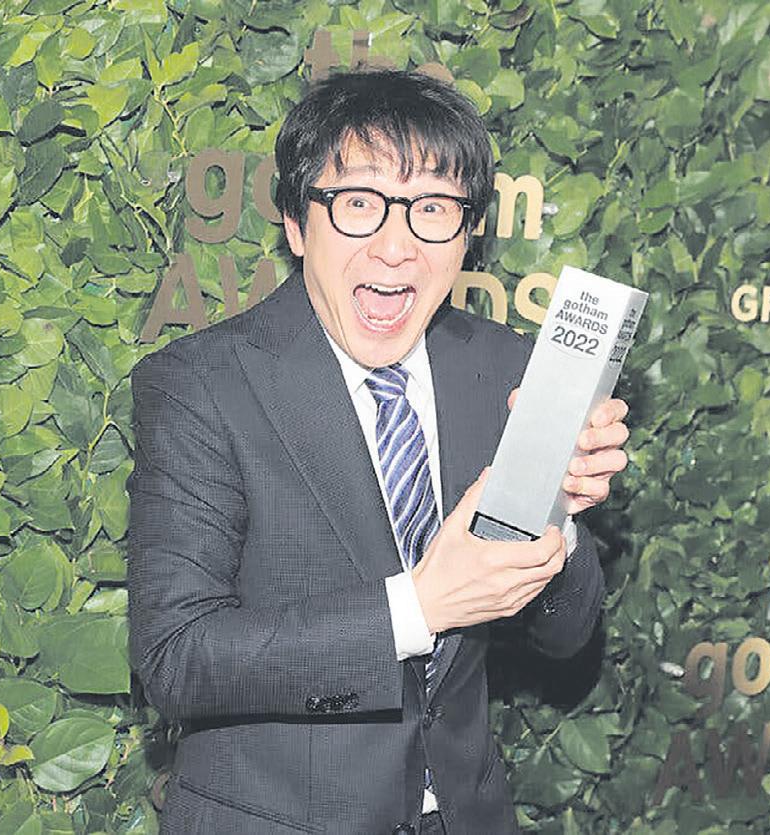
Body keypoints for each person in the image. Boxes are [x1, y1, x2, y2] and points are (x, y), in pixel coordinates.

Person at [128, 69, 630, 834]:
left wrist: (556, 515)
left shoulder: (505, 368)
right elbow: (177, 659)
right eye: (359, 204)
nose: (396, 248)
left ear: (468, 234)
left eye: (433, 209)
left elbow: (567, 637)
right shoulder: (203, 383)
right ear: (297, 222)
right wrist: (419, 607)